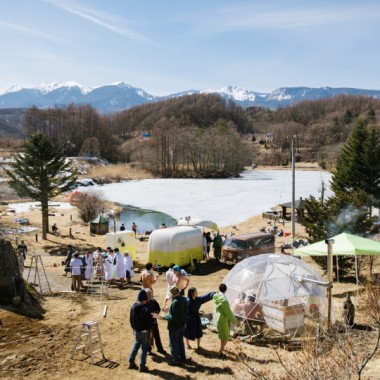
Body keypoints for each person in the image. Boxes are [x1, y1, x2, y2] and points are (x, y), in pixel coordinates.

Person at [162, 286, 188, 365]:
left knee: (173, 343)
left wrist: (164, 317)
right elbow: (181, 310)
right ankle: (183, 358)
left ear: (173, 294)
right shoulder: (184, 299)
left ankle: (176, 359)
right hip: (182, 324)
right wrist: (170, 309)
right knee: (180, 342)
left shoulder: (175, 302)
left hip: (174, 326)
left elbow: (173, 317)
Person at [128, 289, 152, 372]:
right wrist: (149, 328)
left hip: (137, 330)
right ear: (145, 299)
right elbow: (148, 320)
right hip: (144, 331)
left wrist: (133, 328)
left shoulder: (134, 306)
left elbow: (131, 319)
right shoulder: (145, 308)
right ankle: (142, 365)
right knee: (144, 348)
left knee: (136, 345)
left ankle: (131, 361)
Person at [213, 283, 237, 358]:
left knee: (222, 335)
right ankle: (220, 352)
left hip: (219, 317)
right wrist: (234, 320)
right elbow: (228, 311)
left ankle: (221, 349)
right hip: (223, 318)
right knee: (226, 336)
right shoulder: (223, 300)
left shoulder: (216, 296)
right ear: (226, 289)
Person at [144, 288, 166, 355]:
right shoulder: (143, 303)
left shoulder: (153, 301)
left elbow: (158, 309)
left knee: (157, 336)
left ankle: (160, 349)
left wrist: (155, 315)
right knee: (148, 337)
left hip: (154, 322)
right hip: (146, 324)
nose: (150, 295)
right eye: (148, 294)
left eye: (151, 293)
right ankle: (148, 349)